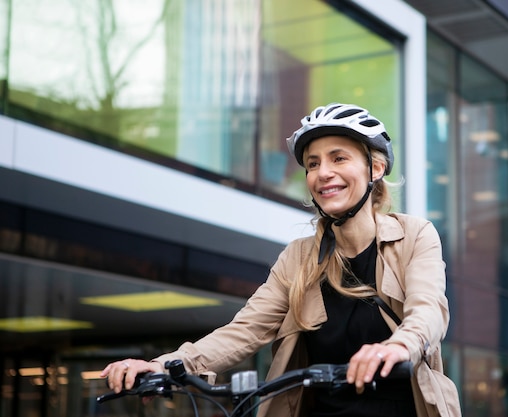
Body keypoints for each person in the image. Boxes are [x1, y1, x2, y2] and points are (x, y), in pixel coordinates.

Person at [101, 103, 455, 417]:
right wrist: (163, 366)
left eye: (339, 158)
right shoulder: (298, 258)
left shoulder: (414, 236)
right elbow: (244, 331)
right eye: (312, 164)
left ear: (375, 168)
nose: (323, 173)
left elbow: (427, 310)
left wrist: (399, 346)